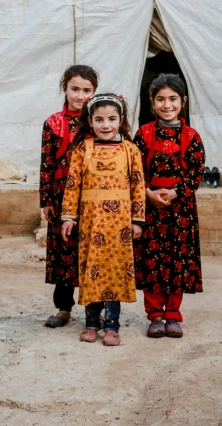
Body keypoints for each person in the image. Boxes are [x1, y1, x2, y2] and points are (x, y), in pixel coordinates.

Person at [60, 94, 146, 346]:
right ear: (90, 121)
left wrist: (137, 220)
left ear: (121, 120)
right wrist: (69, 216)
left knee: (114, 272)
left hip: (119, 226)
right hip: (90, 223)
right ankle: (91, 323)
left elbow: (138, 186)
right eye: (99, 119)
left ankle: (112, 325)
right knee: (91, 271)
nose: (105, 125)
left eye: (111, 119)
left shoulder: (131, 150)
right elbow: (72, 185)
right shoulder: (82, 150)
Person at [133, 74, 205, 339]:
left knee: (177, 262)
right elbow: (134, 170)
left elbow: (197, 173)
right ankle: (154, 316)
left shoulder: (191, 136)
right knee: (152, 262)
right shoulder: (143, 134)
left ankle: (173, 315)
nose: (167, 104)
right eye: (160, 99)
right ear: (152, 103)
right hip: (151, 209)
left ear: (183, 101)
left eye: (173, 99)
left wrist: (176, 193)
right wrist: (147, 193)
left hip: (181, 211)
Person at [40, 65, 98, 328]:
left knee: (93, 251)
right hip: (62, 198)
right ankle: (64, 308)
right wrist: (47, 200)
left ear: (94, 92)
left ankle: (94, 309)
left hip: (93, 198)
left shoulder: (99, 121)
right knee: (63, 252)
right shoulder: (53, 123)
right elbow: (47, 164)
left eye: (87, 90)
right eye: (75, 89)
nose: (80, 95)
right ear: (65, 88)